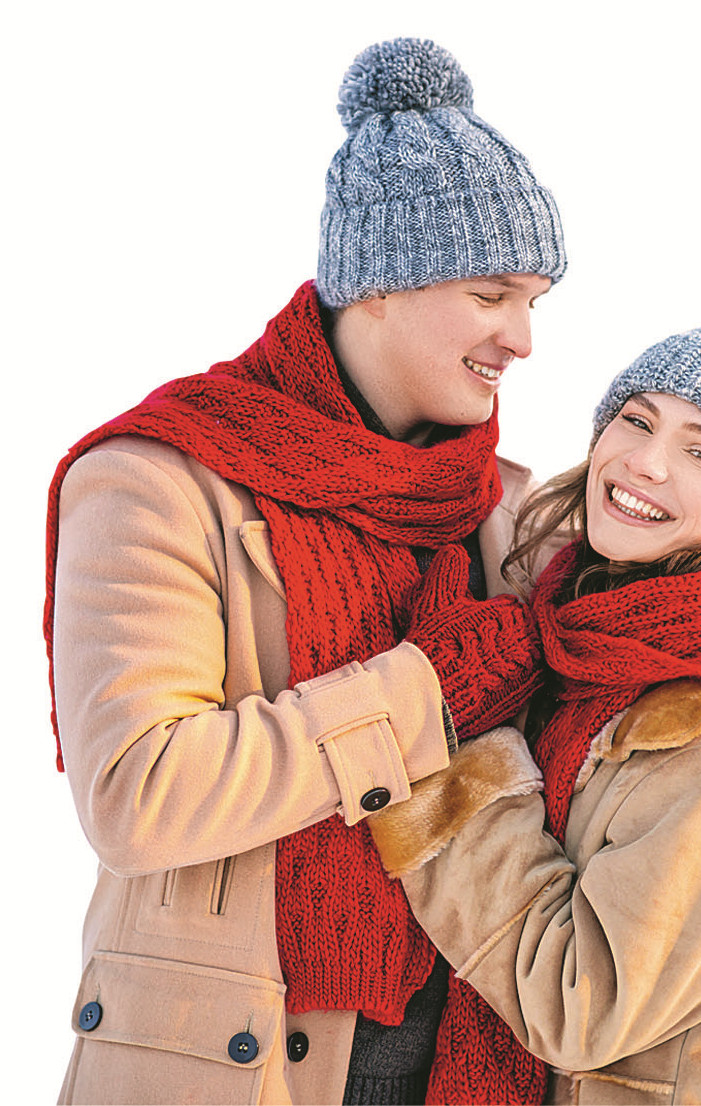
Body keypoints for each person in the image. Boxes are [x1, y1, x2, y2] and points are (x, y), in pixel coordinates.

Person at [46, 37, 566, 1106]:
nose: (521, 337)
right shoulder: (160, 482)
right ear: (375, 286)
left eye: (534, 301)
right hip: (238, 1057)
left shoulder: (503, 511)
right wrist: (426, 693)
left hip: (470, 1056)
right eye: (491, 294)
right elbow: (140, 795)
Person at [368, 324, 701, 1104]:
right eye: (637, 419)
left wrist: (451, 743)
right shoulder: (579, 618)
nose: (645, 462)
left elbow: (582, 1005)